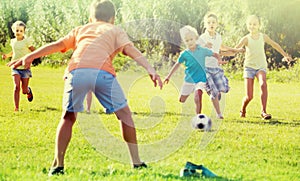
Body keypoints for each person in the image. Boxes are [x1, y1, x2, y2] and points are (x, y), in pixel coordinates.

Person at [8, 0, 163, 176]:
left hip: (77, 72)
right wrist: (150, 68)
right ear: (112, 18)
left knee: (68, 117)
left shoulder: (81, 29)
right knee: (125, 115)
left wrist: (30, 56)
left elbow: (58, 45)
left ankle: (58, 165)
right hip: (102, 74)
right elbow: (129, 49)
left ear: (91, 18)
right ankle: (136, 162)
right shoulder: (115, 30)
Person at [235, 15, 292, 119]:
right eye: (250, 24)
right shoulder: (246, 39)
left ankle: (263, 111)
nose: (252, 26)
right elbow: (235, 49)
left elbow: (275, 45)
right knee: (249, 96)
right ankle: (243, 109)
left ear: (259, 25)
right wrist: (220, 54)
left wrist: (285, 55)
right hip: (249, 68)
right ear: (247, 25)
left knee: (263, 84)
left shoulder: (263, 37)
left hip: (261, 66)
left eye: (255, 24)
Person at [164, 25, 221, 114]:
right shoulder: (185, 54)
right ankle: (188, 91)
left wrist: (219, 60)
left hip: (201, 79)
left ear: (195, 39)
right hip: (189, 80)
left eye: (191, 39)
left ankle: (198, 116)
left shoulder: (202, 50)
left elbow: (215, 54)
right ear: (184, 42)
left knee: (198, 96)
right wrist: (168, 76)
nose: (190, 42)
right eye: (187, 41)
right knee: (181, 100)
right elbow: (177, 64)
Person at [198, 12, 244, 119]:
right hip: (205, 69)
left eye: (213, 22)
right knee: (213, 91)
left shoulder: (218, 37)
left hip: (216, 68)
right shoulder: (203, 37)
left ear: (217, 24)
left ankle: (216, 93)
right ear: (205, 24)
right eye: (209, 22)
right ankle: (219, 114)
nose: (211, 24)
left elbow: (221, 47)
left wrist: (235, 50)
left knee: (222, 89)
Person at [2, 21, 34, 112]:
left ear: (24, 31)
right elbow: (14, 52)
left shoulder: (27, 41)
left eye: (21, 31)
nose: (18, 32)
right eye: (17, 30)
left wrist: (30, 58)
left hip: (25, 68)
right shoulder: (13, 41)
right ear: (13, 31)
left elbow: (34, 51)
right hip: (15, 67)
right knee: (16, 87)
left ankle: (28, 90)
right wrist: (7, 56)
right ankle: (16, 108)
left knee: (23, 90)